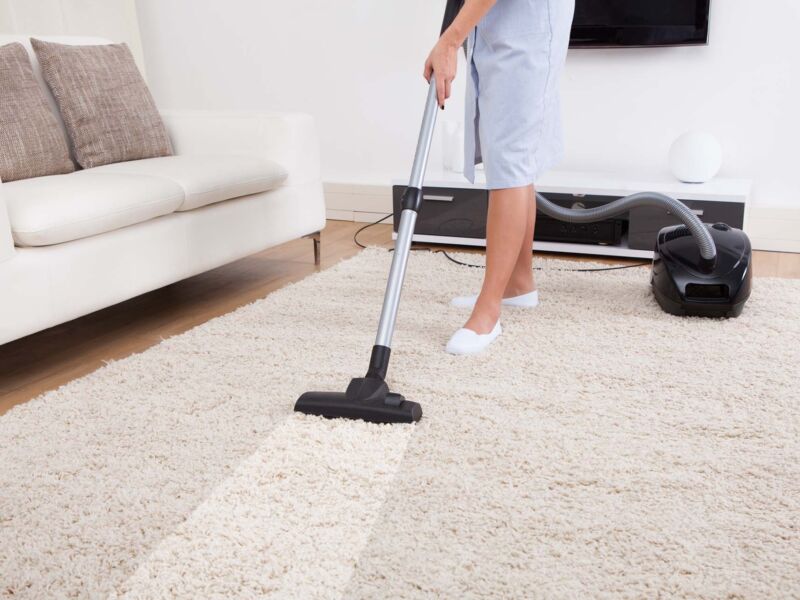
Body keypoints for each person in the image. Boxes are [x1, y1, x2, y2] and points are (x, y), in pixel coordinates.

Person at [424, 0, 575, 354]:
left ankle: (487, 311)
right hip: (500, 24)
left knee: (510, 164)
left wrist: (449, 41)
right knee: (512, 159)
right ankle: (518, 286)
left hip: (527, 27)